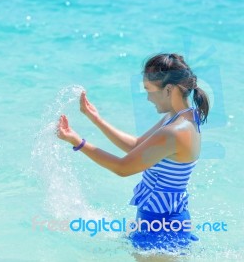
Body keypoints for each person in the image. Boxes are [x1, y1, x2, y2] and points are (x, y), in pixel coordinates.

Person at [56, 53, 210, 253]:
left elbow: (123, 168)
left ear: (169, 89)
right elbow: (137, 146)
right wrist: (96, 119)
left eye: (149, 90)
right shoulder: (180, 117)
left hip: (162, 227)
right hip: (160, 220)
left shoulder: (175, 132)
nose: (147, 97)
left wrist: (77, 142)